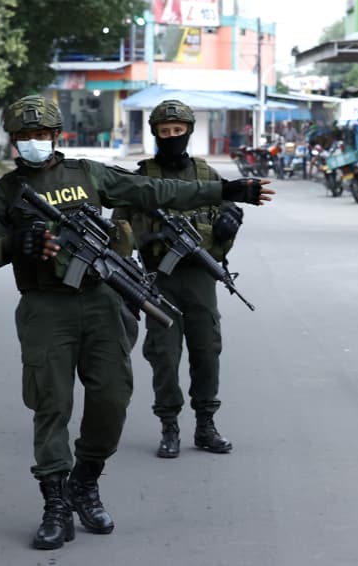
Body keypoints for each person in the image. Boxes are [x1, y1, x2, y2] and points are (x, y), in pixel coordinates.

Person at [0, 94, 272, 551]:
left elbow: (155, 191)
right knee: (52, 406)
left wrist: (225, 190)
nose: (33, 142)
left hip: (102, 302)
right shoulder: (3, 194)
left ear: (56, 136)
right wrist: (14, 244)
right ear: (13, 141)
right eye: (24, 136)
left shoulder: (87, 174)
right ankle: (54, 504)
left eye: (41, 134)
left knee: (112, 401)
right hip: (46, 309)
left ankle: (84, 483)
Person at [112, 100, 241, 459]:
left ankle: (205, 424)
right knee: (164, 356)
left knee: (206, 351)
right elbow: (118, 225)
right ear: (155, 134)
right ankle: (169, 425)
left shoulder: (206, 175)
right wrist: (144, 240)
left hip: (200, 278)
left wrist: (233, 219)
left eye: (177, 131)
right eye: (164, 132)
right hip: (157, 279)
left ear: (188, 132)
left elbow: (228, 205)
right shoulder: (140, 177)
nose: (171, 137)